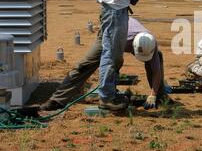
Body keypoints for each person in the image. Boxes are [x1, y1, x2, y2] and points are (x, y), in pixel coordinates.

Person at [40, 17, 168, 112]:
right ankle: (57, 100)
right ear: (133, 47)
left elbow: (156, 70)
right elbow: (110, 63)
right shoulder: (122, 40)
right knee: (85, 65)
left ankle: (159, 96)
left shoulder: (150, 42)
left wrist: (153, 94)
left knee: (157, 58)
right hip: (108, 33)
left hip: (123, 28)